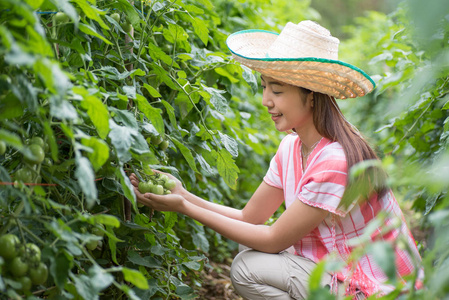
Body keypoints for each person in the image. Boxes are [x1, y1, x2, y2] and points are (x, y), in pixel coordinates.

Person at [129, 20, 422, 299]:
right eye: (265, 87)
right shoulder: (292, 148)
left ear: (311, 96)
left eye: (277, 91)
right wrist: (184, 195)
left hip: (374, 288)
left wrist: (184, 209)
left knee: (247, 267)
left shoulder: (335, 159)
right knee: (248, 239)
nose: (266, 100)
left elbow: (273, 240)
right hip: (339, 268)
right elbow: (249, 218)